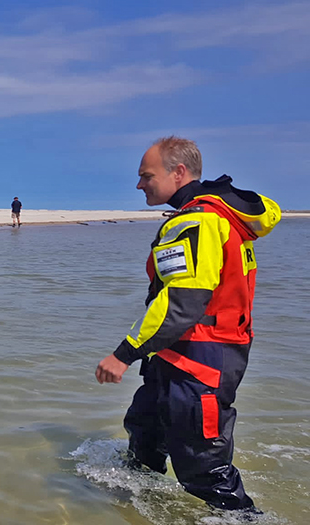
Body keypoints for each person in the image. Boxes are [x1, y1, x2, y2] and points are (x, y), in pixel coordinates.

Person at [95, 137, 281, 511]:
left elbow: (183, 304)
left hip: (203, 358)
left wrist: (123, 354)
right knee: (145, 433)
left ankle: (243, 518)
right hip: (177, 353)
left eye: (146, 176)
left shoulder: (198, 221)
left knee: (203, 468)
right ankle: (132, 508)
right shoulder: (209, 216)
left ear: (178, 173)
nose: (139, 185)